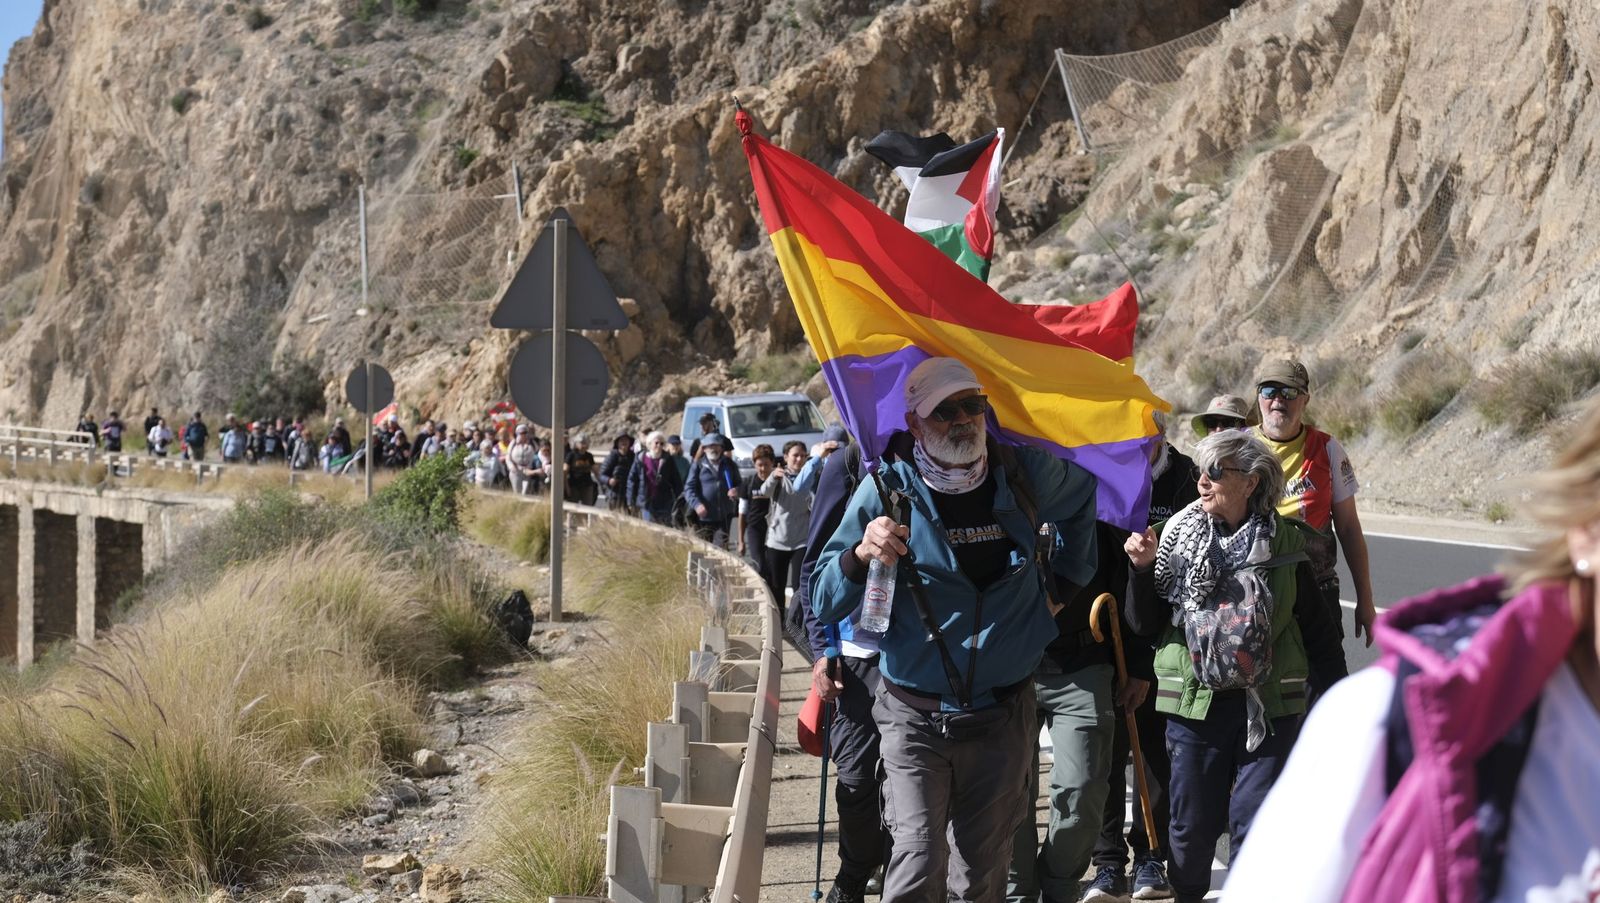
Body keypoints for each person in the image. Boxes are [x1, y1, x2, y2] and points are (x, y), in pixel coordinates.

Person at [812, 356, 1100, 902]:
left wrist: (1060, 588)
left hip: (1003, 716)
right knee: (919, 859)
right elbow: (824, 595)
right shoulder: (886, 492)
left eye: (974, 405)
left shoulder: (1021, 475)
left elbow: (1083, 495)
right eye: (945, 411)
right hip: (914, 719)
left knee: (980, 875)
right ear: (915, 424)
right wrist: (858, 553)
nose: (964, 419)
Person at [1122, 430, 1347, 903]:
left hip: (1268, 707)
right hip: (1194, 706)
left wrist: (1337, 712)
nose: (1203, 482)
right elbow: (1143, 625)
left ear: (1252, 482)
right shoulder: (1172, 542)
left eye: (1218, 471)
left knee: (1256, 820)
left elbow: (1321, 638)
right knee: (1191, 827)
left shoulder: (1288, 545)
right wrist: (1142, 571)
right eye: (1200, 471)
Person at [797, 429, 915, 903]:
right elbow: (813, 567)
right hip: (855, 654)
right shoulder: (844, 465)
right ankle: (855, 869)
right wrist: (823, 647)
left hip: (917, 652)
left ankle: (890, 870)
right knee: (857, 777)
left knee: (909, 778)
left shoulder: (939, 461)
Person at [1083, 417, 1198, 901]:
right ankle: (1108, 863)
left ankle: (1152, 856)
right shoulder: (1102, 476)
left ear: (1160, 435)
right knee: (1107, 755)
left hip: (1165, 645)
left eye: (1144, 435)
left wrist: (1147, 669)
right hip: (1104, 635)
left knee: (1156, 754)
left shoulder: (1188, 478)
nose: (1136, 444)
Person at [1252, 357, 1375, 656]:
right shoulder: (1239, 448)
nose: (1278, 400)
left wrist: (1366, 600)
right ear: (1258, 398)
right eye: (1269, 391)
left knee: (1327, 691)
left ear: (1305, 400)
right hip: (1254, 594)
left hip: (1317, 592)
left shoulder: (1328, 449)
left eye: (1289, 392)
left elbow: (1347, 527)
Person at [762, 440, 813, 603]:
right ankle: (780, 621)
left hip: (801, 540)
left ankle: (797, 624)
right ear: (785, 457)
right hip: (778, 540)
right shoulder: (778, 477)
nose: (799, 459)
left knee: (800, 586)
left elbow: (815, 503)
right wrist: (772, 477)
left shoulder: (810, 476)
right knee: (777, 585)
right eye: (795, 455)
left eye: (803, 455)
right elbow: (765, 492)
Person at [684, 433, 741, 548]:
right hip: (703, 518)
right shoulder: (698, 465)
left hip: (724, 516)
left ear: (721, 448)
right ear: (704, 449)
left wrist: (736, 490)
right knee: (703, 550)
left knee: (720, 550)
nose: (713, 448)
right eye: (709, 446)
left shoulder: (729, 464)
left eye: (716, 445)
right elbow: (689, 488)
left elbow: (740, 484)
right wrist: (697, 504)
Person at [738, 444, 778, 586]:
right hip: (755, 528)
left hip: (775, 530)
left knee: (773, 568)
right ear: (754, 464)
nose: (763, 469)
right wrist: (741, 540)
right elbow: (742, 512)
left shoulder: (778, 482)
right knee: (759, 565)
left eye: (766, 465)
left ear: (772, 464)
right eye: (759, 465)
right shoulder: (748, 483)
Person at [628, 431, 686, 524]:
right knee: (648, 530)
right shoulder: (641, 458)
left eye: (661, 443)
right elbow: (632, 479)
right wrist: (630, 500)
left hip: (664, 503)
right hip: (646, 503)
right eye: (656, 443)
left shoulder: (667, 459)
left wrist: (680, 501)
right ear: (650, 444)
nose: (659, 446)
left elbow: (676, 481)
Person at [798, 423, 851, 494]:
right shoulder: (817, 467)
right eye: (831, 449)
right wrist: (818, 457)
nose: (837, 453)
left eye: (840, 449)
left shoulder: (850, 463)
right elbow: (799, 487)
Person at [1188, 394, 1253, 438]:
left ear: (1243, 427)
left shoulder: (1256, 457)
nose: (1219, 429)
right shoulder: (1201, 458)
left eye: (1228, 423)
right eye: (1211, 423)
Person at [600, 434, 637, 512]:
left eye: (626, 440)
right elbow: (601, 475)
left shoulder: (633, 457)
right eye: (621, 440)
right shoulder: (612, 456)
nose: (624, 443)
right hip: (614, 493)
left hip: (629, 493)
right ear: (617, 443)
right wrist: (609, 480)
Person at [565, 434, 599, 505]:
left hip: (587, 485)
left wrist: (601, 480)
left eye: (586, 443)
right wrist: (567, 487)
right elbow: (565, 471)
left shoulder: (589, 456)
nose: (584, 445)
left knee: (587, 507)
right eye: (582, 443)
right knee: (573, 508)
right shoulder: (571, 455)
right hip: (574, 486)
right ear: (576, 444)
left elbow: (595, 470)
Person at [507, 426, 540, 495]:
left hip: (527, 470)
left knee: (525, 491)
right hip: (516, 471)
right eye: (521, 433)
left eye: (525, 433)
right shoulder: (513, 443)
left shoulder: (532, 443)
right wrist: (512, 467)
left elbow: (538, 453)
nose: (523, 435)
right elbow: (508, 456)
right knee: (517, 491)